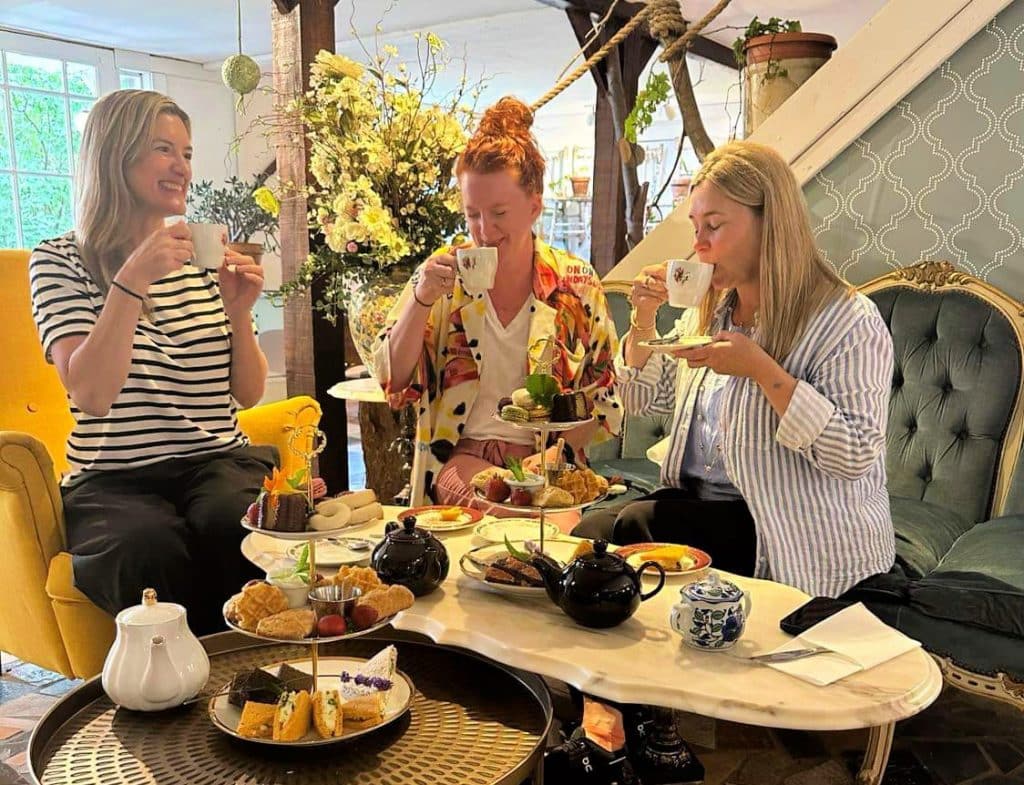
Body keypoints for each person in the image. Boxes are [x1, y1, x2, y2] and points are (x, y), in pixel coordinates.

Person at [574, 140, 895, 598]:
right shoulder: (716, 311)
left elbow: (854, 455)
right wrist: (644, 318)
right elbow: (643, 400)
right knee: (590, 532)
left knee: (636, 524)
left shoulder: (847, 321)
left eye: (714, 226)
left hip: (784, 522)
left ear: (770, 224)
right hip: (699, 505)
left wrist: (762, 370)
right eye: (696, 226)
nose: (698, 245)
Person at [29, 90, 273, 635]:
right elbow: (91, 393)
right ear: (115, 156)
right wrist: (131, 282)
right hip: (114, 478)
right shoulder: (60, 260)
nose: (181, 167)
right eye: (164, 149)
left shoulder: (203, 258)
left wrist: (238, 313)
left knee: (236, 522)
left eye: (186, 153)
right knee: (145, 545)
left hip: (217, 462)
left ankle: (246, 673)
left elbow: (249, 393)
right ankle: (178, 691)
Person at [373, 96, 622, 509]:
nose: (484, 231)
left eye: (499, 213)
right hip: (467, 458)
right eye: (472, 214)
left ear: (534, 207)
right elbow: (395, 382)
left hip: (552, 462)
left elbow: (603, 400)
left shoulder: (576, 284)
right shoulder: (442, 279)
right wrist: (420, 301)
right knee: (497, 510)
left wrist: (549, 460)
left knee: (551, 536)